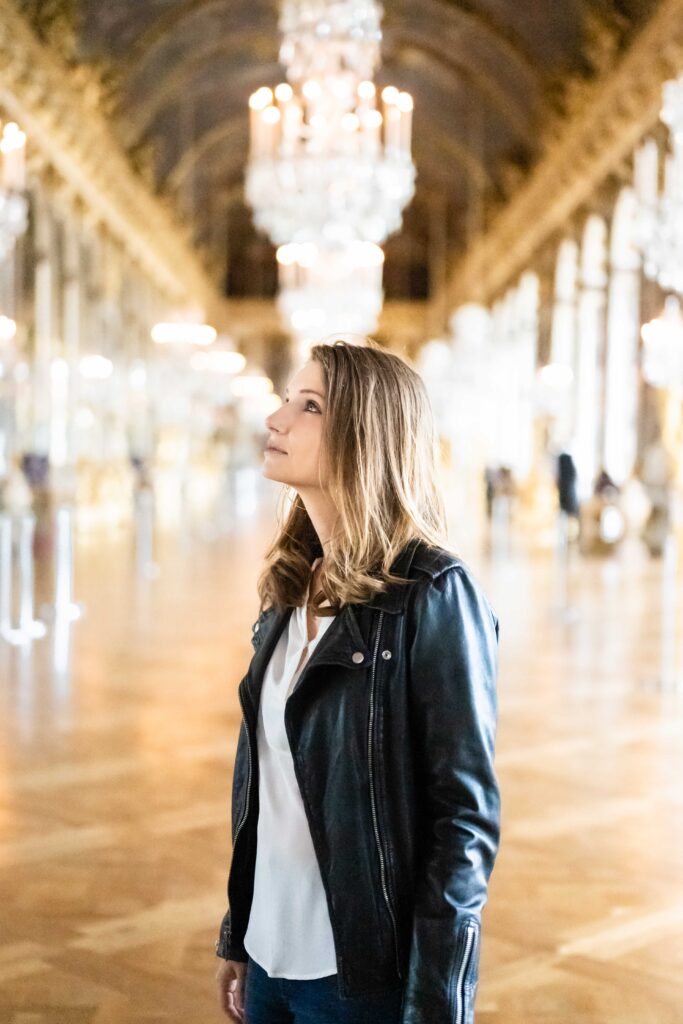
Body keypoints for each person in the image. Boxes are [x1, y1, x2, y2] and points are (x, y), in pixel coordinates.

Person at [214, 338, 501, 1024]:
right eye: (288, 399)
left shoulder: (433, 591)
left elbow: (462, 821)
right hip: (267, 955)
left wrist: (435, 998)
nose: (276, 419)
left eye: (307, 405)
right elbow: (269, 782)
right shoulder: (290, 584)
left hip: (359, 973)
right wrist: (238, 930)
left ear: (365, 436)